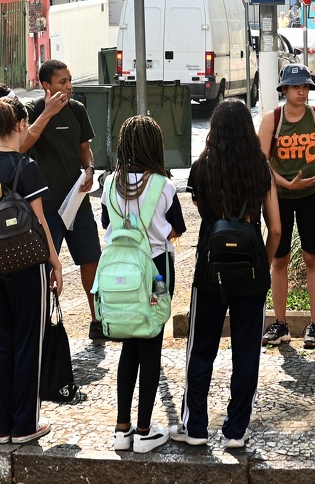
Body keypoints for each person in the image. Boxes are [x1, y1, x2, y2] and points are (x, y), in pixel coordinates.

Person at [172, 99, 281, 449]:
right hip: (251, 271)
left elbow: (204, 215)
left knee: (201, 349)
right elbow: (276, 229)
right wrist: (260, 264)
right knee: (246, 351)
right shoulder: (260, 169)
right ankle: (236, 430)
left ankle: (197, 428)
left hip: (209, 269)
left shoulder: (201, 168)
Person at [0, 96, 63, 445]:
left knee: (0, 343)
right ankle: (26, 424)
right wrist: (55, 262)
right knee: (29, 343)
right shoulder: (26, 166)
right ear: (21, 124)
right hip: (27, 263)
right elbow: (39, 221)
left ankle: (3, 428)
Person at [104, 116, 187, 454]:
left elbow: (107, 223)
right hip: (155, 270)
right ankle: (143, 431)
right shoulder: (164, 186)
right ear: (156, 146)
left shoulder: (110, 182)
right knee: (151, 348)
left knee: (129, 348)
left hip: (119, 274)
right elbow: (177, 228)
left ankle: (121, 429)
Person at [21, 60, 100, 339]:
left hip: (77, 201)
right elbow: (22, 146)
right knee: (44, 266)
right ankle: (42, 324)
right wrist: (48, 113)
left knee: (91, 259)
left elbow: (85, 150)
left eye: (69, 80)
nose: (69, 86)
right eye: (62, 82)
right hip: (44, 206)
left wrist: (90, 168)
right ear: (46, 85)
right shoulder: (31, 111)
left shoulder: (78, 110)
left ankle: (97, 320)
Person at [257, 64, 315, 348]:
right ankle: (280, 323)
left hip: (311, 194)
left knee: (313, 257)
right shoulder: (272, 119)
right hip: (279, 197)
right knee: (280, 260)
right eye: (296, 86)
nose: (302, 91)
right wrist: (285, 184)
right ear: (284, 89)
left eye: (306, 86)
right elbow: (261, 160)